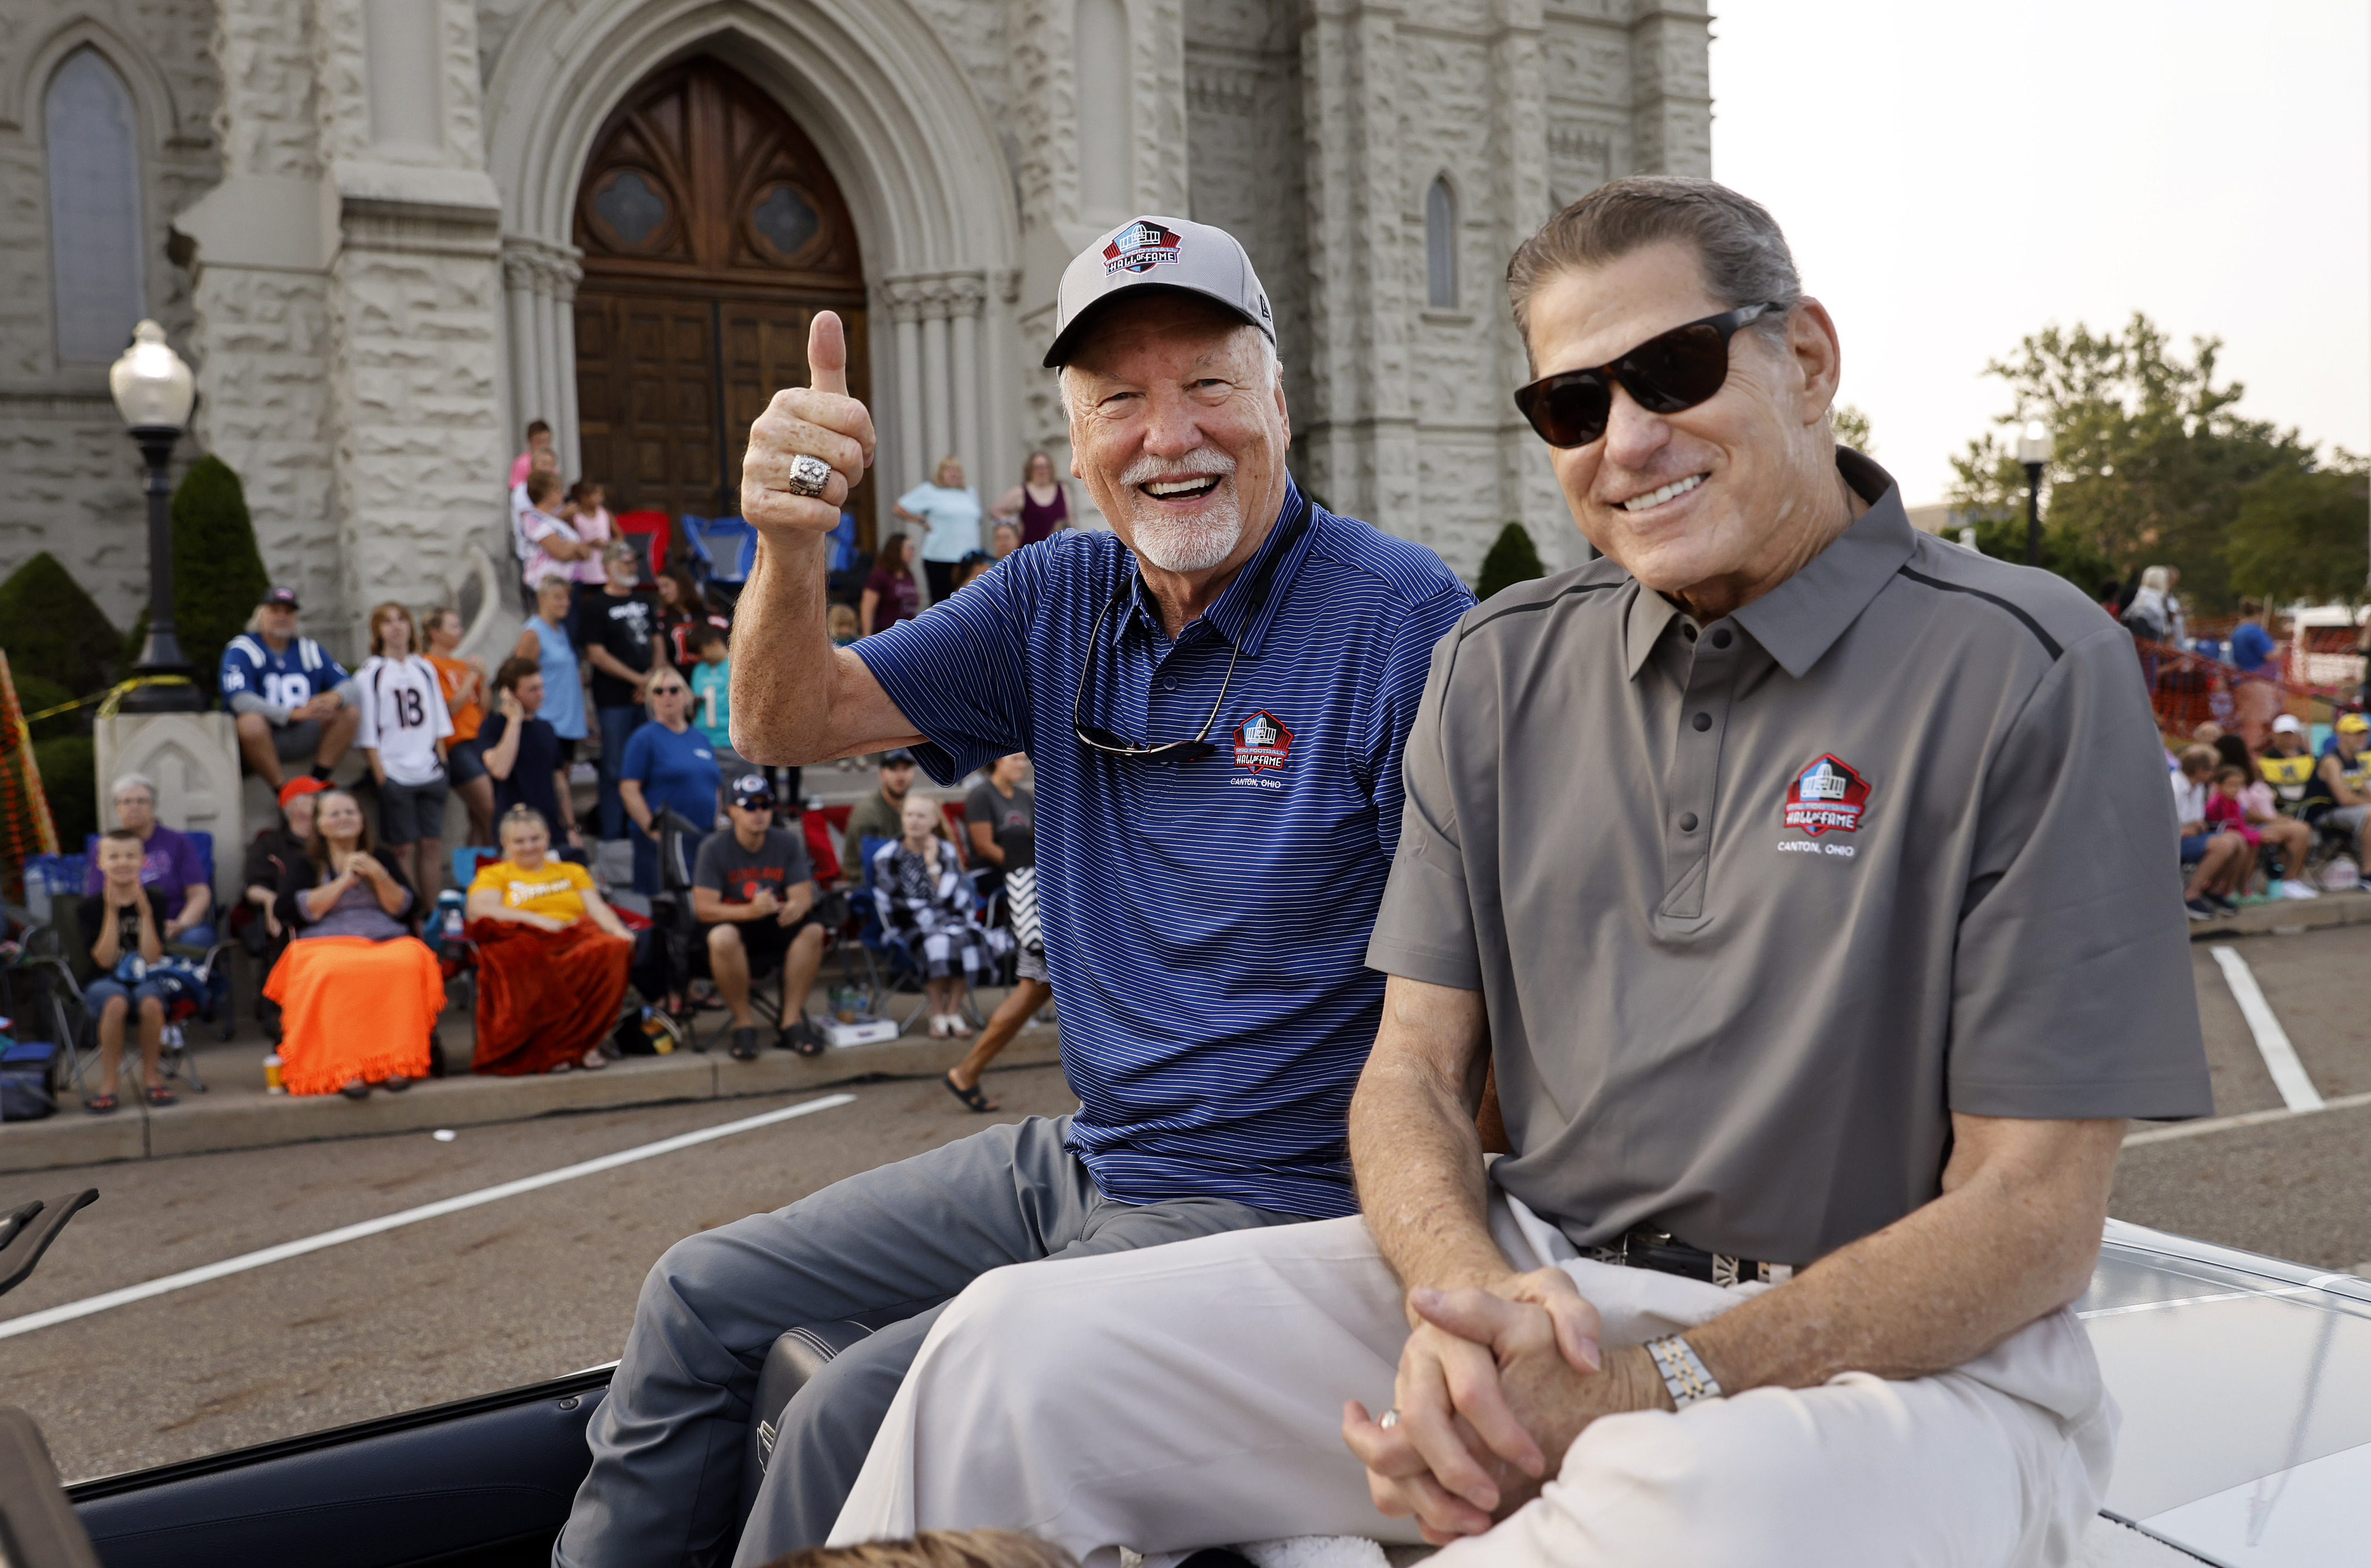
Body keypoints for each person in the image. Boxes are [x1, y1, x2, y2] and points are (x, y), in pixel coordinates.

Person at [829, 178, 2213, 1568]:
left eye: (1670, 372)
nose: (1626, 441)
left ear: (1806, 362)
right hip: (1529, 1289)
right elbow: (1413, 1076)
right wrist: (1463, 1305)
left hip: (1905, 1369)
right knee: (1003, 1359)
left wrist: (1640, 1389)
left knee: (1689, 1506)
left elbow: (2030, 1220)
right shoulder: (1500, 666)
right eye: (1571, 406)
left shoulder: (2030, 664)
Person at [557, 213, 1473, 1567]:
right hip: (1093, 1156)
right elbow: (783, 720)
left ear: (1279, 400)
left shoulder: (1404, 620)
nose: (1170, 434)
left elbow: (1475, 996)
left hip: (1275, 1200)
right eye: (1121, 401)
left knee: (858, 1408)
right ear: (1076, 441)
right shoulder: (1059, 594)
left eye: (1208, 383)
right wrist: (791, 541)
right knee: (695, 1296)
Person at [265, 788, 441, 1097]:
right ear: (320, 825)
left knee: (408, 960)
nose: (344, 818)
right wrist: (343, 882)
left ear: (362, 820)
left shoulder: (382, 856)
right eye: (335, 814)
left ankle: (395, 1062)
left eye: (351, 812)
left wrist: (380, 875)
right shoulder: (306, 862)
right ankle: (343, 1068)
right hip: (326, 942)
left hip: (384, 939)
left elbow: (406, 908)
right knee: (331, 969)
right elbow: (286, 910)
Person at [464, 805, 630, 1074]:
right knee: (525, 960)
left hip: (574, 936)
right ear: (505, 843)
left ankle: (587, 1043)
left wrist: (617, 930)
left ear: (547, 839)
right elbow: (479, 910)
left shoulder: (571, 871)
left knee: (612, 949)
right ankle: (553, 1049)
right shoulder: (494, 875)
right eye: (519, 841)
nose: (529, 846)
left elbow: (597, 908)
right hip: (529, 939)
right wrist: (536, 920)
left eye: (535, 839)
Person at [695, 773, 828, 1060]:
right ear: (732, 811)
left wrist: (797, 906)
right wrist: (749, 911)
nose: (759, 814)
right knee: (722, 937)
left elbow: (803, 894)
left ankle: (791, 1022)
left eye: (765, 806)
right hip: (735, 922)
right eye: (750, 807)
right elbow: (704, 909)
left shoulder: (787, 842)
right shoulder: (713, 848)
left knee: (814, 930)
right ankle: (744, 1024)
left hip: (774, 922)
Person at [946, 753, 1046, 1112]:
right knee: (1032, 989)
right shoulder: (981, 794)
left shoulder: (1025, 796)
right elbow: (984, 846)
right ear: (996, 761)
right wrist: (1021, 873)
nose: (1021, 764)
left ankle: (967, 1072)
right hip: (1008, 885)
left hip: (1033, 886)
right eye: (1015, 758)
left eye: (1024, 759)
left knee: (1032, 991)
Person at [870, 794, 1003, 1040]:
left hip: (949, 919)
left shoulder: (946, 851)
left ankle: (952, 1011)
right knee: (938, 941)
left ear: (933, 822)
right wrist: (928, 878)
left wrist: (931, 864)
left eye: (921, 816)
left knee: (970, 936)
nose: (913, 821)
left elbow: (958, 897)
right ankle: (937, 1013)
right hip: (908, 923)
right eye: (909, 815)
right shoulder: (887, 857)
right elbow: (896, 903)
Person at [355, 601, 455, 906]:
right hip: (395, 772)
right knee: (404, 848)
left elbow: (439, 718)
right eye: (387, 622)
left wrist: (442, 762)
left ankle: (433, 910)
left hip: (430, 769)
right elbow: (368, 732)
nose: (396, 626)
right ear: (377, 631)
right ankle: (411, 915)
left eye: (401, 619)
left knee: (432, 843)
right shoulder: (370, 673)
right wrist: (382, 776)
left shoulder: (424, 667)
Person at [221, 585, 359, 789]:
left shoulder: (309, 649)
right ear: (260, 614)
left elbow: (349, 685)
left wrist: (334, 698)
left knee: (350, 712)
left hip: (305, 731)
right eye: (275, 611)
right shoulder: (242, 649)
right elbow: (240, 699)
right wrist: (290, 714)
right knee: (249, 723)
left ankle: (316, 783)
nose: (282, 617)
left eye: (288, 612)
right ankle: (283, 792)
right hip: (266, 735)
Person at [78, 828, 175, 1112]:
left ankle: (151, 1076)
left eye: (130, 856)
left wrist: (145, 914)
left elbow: (152, 957)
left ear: (144, 862)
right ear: (101, 862)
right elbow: (104, 960)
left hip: (147, 976)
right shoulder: (90, 908)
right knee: (116, 1002)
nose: (122, 863)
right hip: (103, 980)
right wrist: (112, 912)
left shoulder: (155, 901)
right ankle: (109, 1082)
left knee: (151, 1002)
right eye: (114, 856)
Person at [577, 539, 662, 843]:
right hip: (614, 699)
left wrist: (652, 680)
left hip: (650, 697)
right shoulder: (596, 606)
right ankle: (614, 835)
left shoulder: (644, 600)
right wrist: (638, 681)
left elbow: (657, 642)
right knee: (615, 767)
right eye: (625, 563)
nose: (632, 567)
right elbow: (596, 654)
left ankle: (644, 830)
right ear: (609, 567)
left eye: (632, 562)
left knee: (649, 764)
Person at [619, 666, 724, 895]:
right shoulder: (644, 738)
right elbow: (629, 789)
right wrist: (652, 830)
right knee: (669, 910)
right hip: (665, 840)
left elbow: (715, 785)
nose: (666, 696)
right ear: (650, 698)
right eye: (658, 691)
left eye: (673, 690)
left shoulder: (701, 739)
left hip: (701, 838)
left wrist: (715, 823)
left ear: (687, 696)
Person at [82, 772, 215, 947]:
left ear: (153, 806)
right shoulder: (104, 847)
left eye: (141, 801)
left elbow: (199, 893)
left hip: (173, 923)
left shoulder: (178, 842)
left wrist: (182, 924)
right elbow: (96, 899)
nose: (134, 807)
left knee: (197, 938)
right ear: (117, 809)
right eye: (127, 802)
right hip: (122, 928)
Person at [241, 776, 328, 1035]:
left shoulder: (331, 839)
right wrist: (271, 901)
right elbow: (252, 887)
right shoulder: (270, 844)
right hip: (290, 919)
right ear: (294, 806)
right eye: (315, 797)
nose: (322, 802)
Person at [479, 657, 580, 848]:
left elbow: (559, 781)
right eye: (533, 689)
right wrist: (515, 721)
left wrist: (571, 828)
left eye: (541, 687)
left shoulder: (546, 728)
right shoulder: (492, 727)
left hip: (551, 830)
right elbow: (500, 770)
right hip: (514, 833)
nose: (541, 694)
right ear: (509, 692)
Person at [424, 608, 497, 847]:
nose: (460, 631)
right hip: (456, 745)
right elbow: (451, 708)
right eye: (453, 627)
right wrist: (470, 677)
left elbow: (482, 709)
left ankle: (475, 873)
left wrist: (483, 679)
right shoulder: (429, 664)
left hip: (479, 739)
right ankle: (499, 866)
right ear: (435, 633)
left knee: (478, 817)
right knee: (491, 809)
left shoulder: (461, 664)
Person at [2215, 735, 2315, 896]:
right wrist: (2274, 820)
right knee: (2299, 831)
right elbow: (2242, 813)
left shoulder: (2251, 774)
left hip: (2263, 822)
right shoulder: (2228, 779)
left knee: (2302, 827)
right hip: (2243, 827)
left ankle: (2290, 880)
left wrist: (2278, 818)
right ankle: (2286, 882)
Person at [513, 574, 590, 757]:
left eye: (567, 598)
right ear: (542, 598)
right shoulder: (533, 632)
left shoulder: (561, 629)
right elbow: (519, 676)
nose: (566, 603)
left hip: (567, 720)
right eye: (558, 598)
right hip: (546, 720)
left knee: (564, 776)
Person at [895, 456, 984, 604]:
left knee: (970, 603)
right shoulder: (930, 491)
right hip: (940, 558)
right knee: (943, 604)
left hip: (969, 559)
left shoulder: (969, 492)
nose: (954, 474)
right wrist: (921, 520)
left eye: (957, 470)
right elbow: (899, 508)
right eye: (949, 470)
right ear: (941, 473)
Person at [2173, 745, 2248, 917]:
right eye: (2211, 770)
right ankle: (2191, 894)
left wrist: (2192, 827)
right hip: (2174, 841)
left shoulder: (2198, 786)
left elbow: (2199, 823)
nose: (2213, 775)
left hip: (2190, 836)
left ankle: (2214, 890)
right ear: (2200, 770)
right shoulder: (2174, 786)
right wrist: (2189, 828)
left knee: (2238, 840)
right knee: (2222, 845)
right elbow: (2170, 826)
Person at [844, 749, 950, 853]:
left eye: (905, 768)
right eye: (893, 769)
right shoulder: (867, 811)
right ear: (881, 775)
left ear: (913, 773)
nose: (900, 776)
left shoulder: (912, 805)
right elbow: (872, 858)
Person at [2309, 710, 2371, 880]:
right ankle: (2367, 874)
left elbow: (2365, 789)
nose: (2361, 738)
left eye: (2364, 733)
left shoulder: (2354, 759)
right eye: (2355, 734)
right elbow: (2343, 798)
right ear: (2341, 735)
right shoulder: (2332, 760)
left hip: (2344, 812)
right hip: (2323, 814)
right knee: (2369, 813)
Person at [520, 469, 593, 593]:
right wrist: (574, 547)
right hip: (547, 589)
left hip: (568, 584)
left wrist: (571, 546)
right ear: (546, 494)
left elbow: (586, 553)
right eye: (558, 490)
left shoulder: (556, 520)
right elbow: (562, 553)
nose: (562, 494)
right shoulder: (533, 519)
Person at [2228, 597, 2281, 752]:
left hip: (2244, 682)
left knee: (2249, 721)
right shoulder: (2254, 631)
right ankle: (2253, 757)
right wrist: (2279, 649)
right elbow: (2270, 655)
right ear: (2258, 614)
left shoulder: (2238, 630)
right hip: (2258, 682)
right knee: (2257, 723)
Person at [989, 451, 1073, 548]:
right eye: (1037, 467)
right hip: (1031, 552)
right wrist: (1014, 523)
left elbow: (1070, 518)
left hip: (1058, 551)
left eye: (1045, 467)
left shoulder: (1062, 489)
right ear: (1030, 470)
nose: (1042, 471)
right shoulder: (1022, 492)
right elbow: (995, 510)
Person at [657, 564, 729, 667]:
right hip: (678, 680)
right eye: (660, 587)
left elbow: (725, 649)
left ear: (682, 584)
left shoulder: (711, 615)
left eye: (666, 586)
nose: (662, 592)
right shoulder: (662, 619)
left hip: (712, 677)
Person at [861, 533, 922, 636]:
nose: (912, 552)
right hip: (887, 634)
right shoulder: (879, 575)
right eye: (909, 548)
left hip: (909, 634)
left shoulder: (908, 574)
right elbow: (867, 609)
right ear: (896, 549)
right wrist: (866, 637)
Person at [567, 480, 616, 600]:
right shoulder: (576, 517)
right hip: (585, 568)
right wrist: (590, 543)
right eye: (596, 495)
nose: (600, 499)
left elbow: (619, 535)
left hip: (605, 566)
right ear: (583, 497)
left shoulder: (605, 514)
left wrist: (610, 545)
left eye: (601, 495)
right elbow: (570, 542)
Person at [509, 418, 554, 489]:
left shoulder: (550, 460)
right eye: (539, 442)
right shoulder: (522, 463)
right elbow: (516, 488)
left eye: (547, 441)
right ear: (530, 441)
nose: (543, 446)